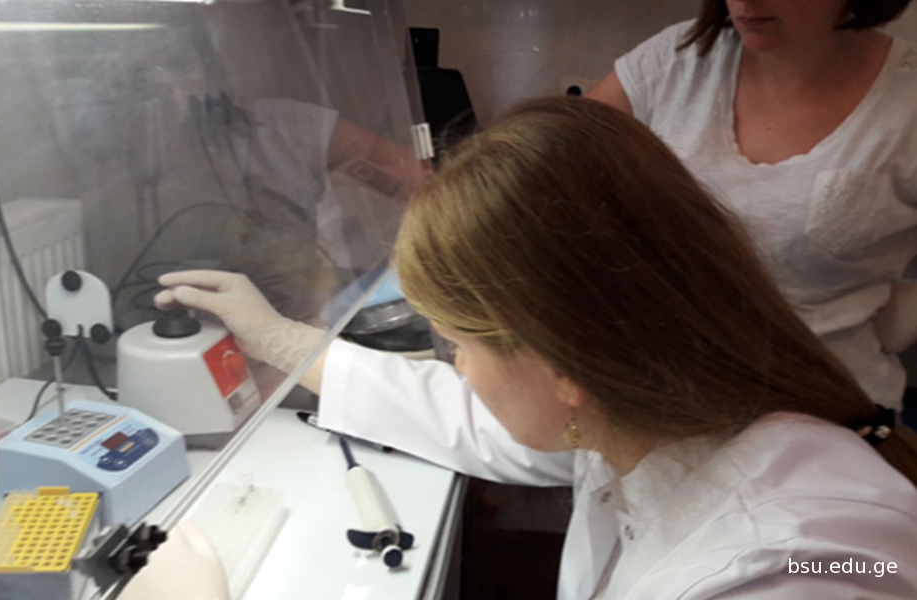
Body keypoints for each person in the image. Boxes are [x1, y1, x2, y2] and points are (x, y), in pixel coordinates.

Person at [156, 97, 917, 598]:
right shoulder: (645, 414)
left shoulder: (797, 570)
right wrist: (283, 340)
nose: (456, 369)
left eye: (457, 345)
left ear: (562, 362)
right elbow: (471, 418)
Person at [586, 0, 917, 412]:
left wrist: (900, 316)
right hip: (663, 402)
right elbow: (547, 161)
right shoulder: (676, 59)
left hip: (821, 413)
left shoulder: (907, 100)